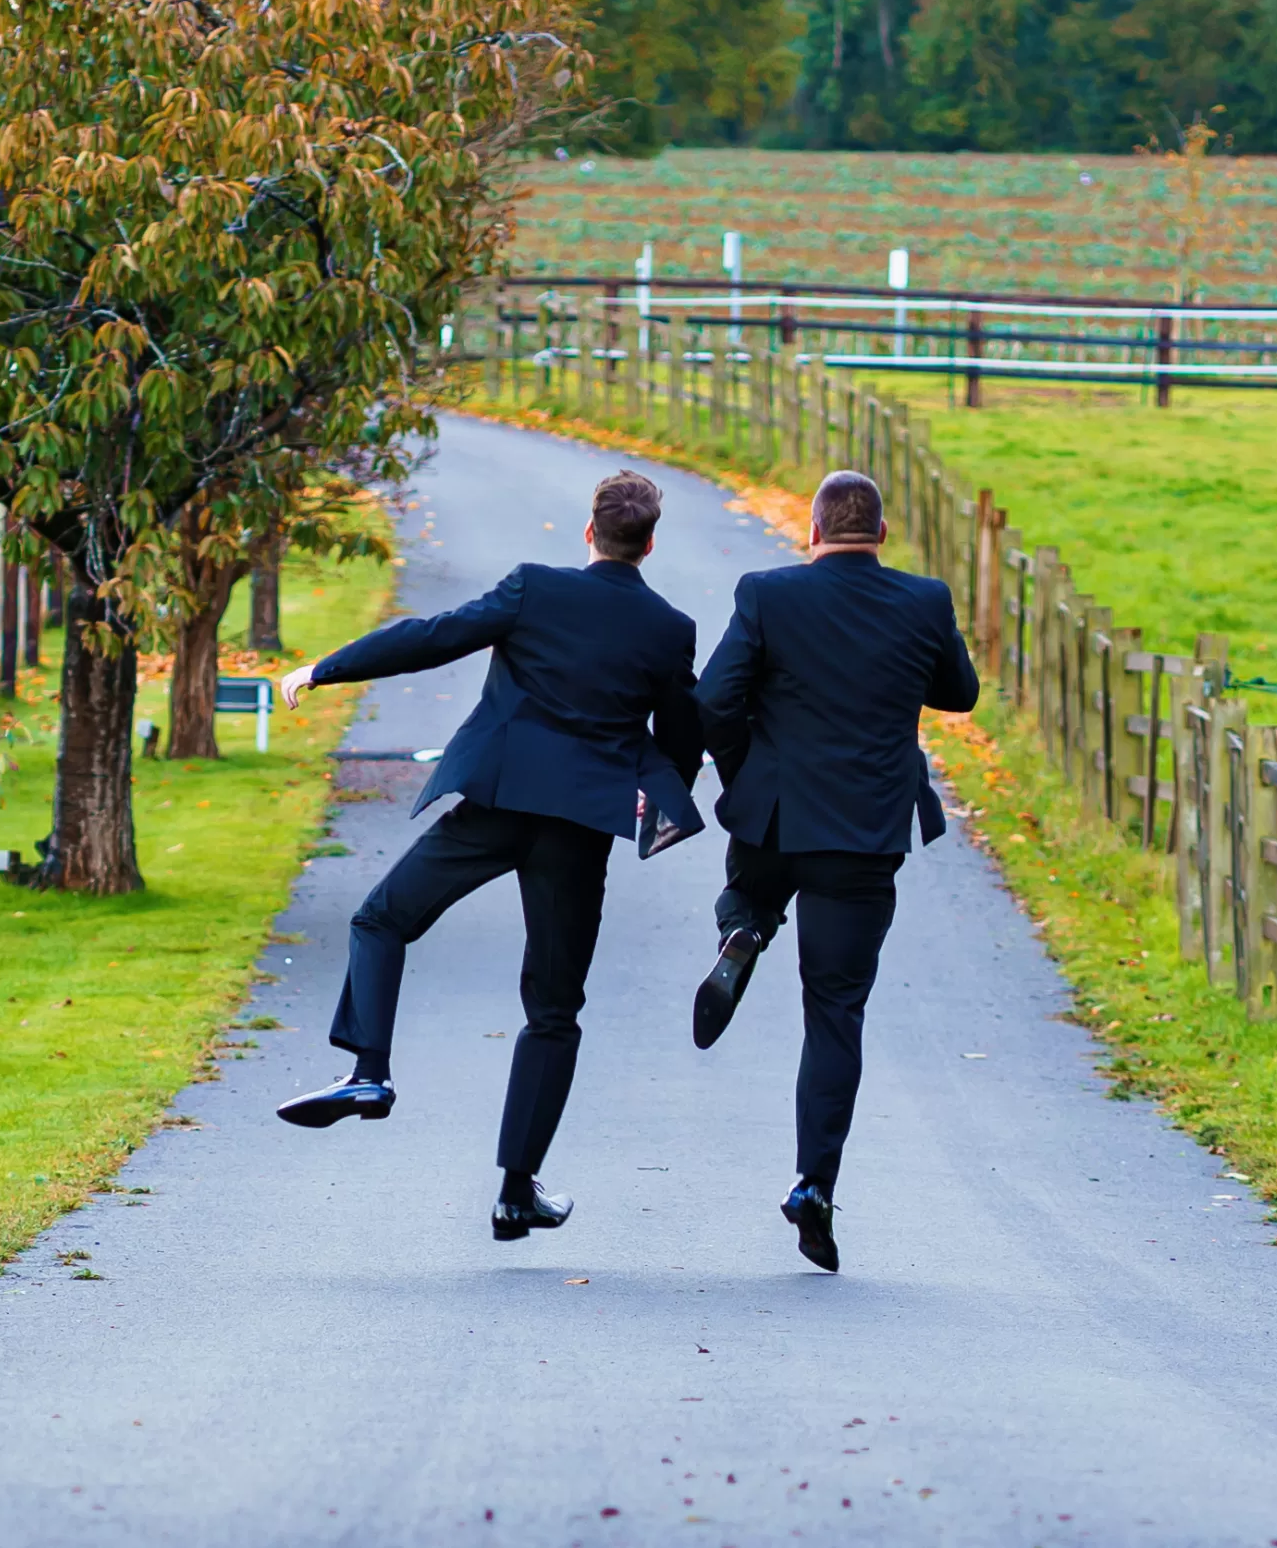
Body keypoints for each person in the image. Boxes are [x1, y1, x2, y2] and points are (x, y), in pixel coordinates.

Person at [275, 470, 703, 1241]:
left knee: (381, 920)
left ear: (588, 533)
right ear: (649, 543)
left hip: (494, 808)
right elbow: (679, 739)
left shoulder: (535, 589)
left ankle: (370, 1072)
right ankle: (515, 1191)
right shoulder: (668, 629)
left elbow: (432, 637)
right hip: (577, 835)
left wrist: (324, 668)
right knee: (553, 1009)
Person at [690, 469, 979, 1272]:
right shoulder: (924, 601)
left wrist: (747, 770)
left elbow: (713, 699)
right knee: (836, 1012)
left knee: (746, 884)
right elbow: (960, 693)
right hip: (863, 831)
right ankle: (813, 1186)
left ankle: (742, 930)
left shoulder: (767, 594)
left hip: (776, 815)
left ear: (812, 532)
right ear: (881, 534)